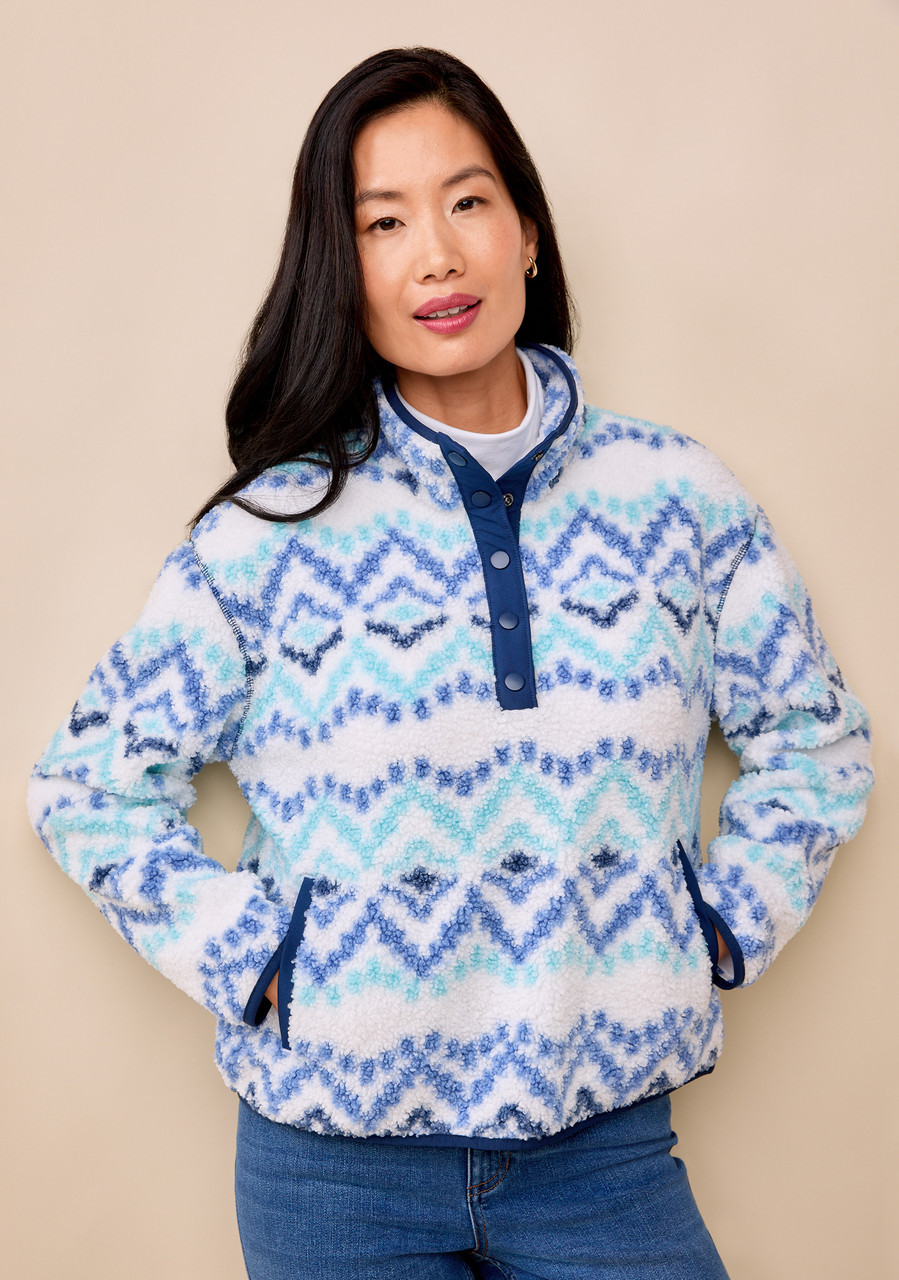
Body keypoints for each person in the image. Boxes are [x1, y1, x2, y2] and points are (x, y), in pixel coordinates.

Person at [28, 46, 873, 1280]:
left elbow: (816, 739)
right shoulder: (269, 534)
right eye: (382, 222)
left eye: (466, 201)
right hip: (330, 1173)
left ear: (526, 233)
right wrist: (257, 962)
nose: (435, 253)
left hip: (607, 1153)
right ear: (343, 270)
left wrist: (715, 925)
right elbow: (86, 786)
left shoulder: (677, 498)